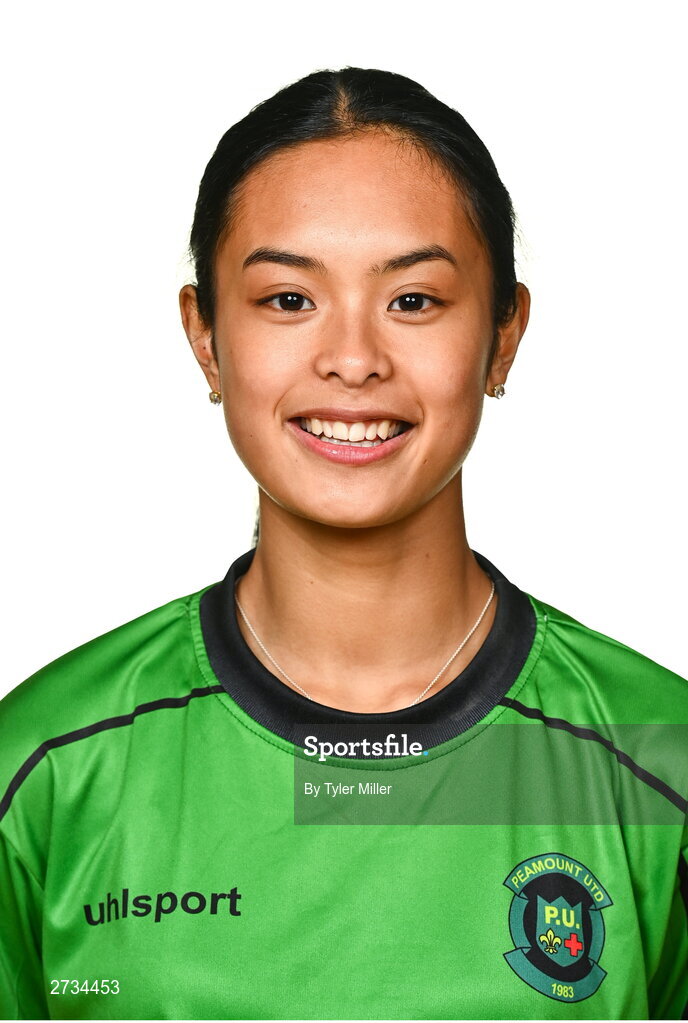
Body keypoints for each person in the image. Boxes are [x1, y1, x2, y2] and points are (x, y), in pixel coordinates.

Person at [0, 66, 686, 1021]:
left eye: (413, 300)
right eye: (288, 300)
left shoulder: (661, 757)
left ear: (503, 336)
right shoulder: (45, 764)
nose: (353, 358)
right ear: (205, 337)